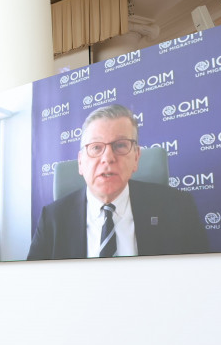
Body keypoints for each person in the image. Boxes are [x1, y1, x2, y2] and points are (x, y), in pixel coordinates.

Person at [27, 104, 209, 260]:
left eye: (120, 145)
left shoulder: (178, 208)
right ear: (81, 162)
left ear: (136, 157)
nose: (108, 158)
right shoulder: (52, 219)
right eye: (96, 147)